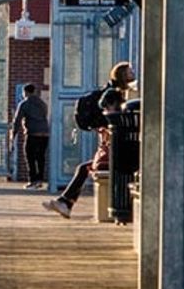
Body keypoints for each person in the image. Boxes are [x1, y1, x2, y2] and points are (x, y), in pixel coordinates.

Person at [43, 88, 125, 218]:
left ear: (112, 105)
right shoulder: (117, 120)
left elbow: (112, 147)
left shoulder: (116, 122)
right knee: (83, 167)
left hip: (115, 160)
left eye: (106, 109)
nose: (104, 113)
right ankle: (65, 203)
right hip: (115, 158)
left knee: (84, 167)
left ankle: (65, 203)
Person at [11, 83, 49, 189]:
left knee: (30, 157)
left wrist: (13, 135)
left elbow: (17, 121)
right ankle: (40, 180)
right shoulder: (42, 103)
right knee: (41, 157)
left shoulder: (24, 104)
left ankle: (32, 180)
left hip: (32, 134)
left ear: (25, 92)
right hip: (45, 134)